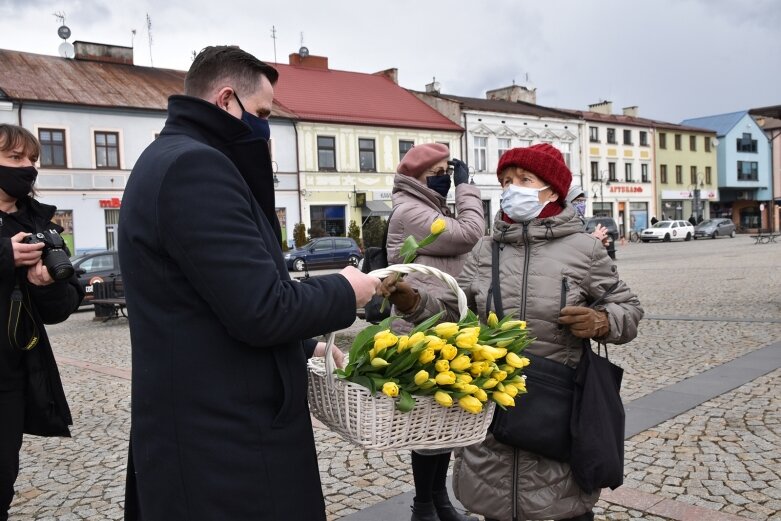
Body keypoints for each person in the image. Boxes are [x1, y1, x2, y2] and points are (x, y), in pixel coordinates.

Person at [118, 46, 380, 520]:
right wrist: (346, 290)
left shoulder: (170, 157)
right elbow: (261, 308)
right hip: (222, 446)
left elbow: (207, 300)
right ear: (224, 101)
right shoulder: (195, 168)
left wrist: (304, 349)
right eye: (261, 113)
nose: (265, 127)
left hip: (210, 430)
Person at [381, 143, 643, 521]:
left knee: (564, 510)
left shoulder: (584, 250)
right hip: (493, 416)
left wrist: (602, 321)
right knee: (497, 510)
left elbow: (629, 309)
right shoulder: (486, 249)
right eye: (506, 181)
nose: (512, 187)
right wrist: (413, 301)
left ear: (552, 189)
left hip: (557, 415)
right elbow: (456, 311)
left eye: (524, 179)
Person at [386, 143, 484, 521]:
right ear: (422, 176)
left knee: (440, 422)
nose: (448, 175)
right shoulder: (411, 211)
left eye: (451, 169)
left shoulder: (428, 208)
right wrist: (466, 189)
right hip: (420, 322)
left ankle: (438, 501)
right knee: (428, 426)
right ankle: (423, 506)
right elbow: (470, 232)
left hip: (441, 322)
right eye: (441, 171)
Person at [0, 124, 84, 520]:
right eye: (14, 158)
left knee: (2, 480)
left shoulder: (40, 225)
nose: (27, 168)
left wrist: (47, 286)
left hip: (12, 377)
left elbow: (63, 307)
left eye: (32, 160)